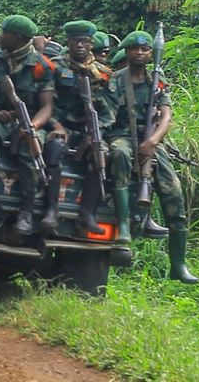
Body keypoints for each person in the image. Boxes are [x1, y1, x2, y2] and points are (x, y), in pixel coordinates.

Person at [106, 31, 198, 283]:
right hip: (122, 135)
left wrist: (152, 141)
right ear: (127, 52)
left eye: (146, 49)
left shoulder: (157, 81)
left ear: (150, 53)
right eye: (135, 49)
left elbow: (166, 117)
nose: (140, 53)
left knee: (174, 193)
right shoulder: (115, 81)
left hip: (151, 141)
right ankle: (123, 226)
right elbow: (108, 119)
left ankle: (178, 266)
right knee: (120, 154)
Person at [0, 14, 56, 233]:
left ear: (18, 38)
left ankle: (26, 210)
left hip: (29, 120)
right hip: (0, 117)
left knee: (30, 147)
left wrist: (33, 126)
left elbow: (47, 106)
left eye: (4, 33)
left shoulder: (41, 65)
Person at [46, 20, 117, 237]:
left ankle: (87, 214)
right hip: (60, 126)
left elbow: (110, 112)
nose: (80, 46)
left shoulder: (103, 73)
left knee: (100, 154)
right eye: (75, 41)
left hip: (88, 129)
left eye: (85, 42)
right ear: (68, 42)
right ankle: (52, 210)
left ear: (90, 44)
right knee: (54, 149)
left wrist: (95, 133)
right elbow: (44, 102)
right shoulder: (54, 67)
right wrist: (56, 125)